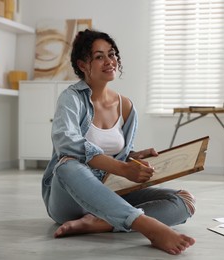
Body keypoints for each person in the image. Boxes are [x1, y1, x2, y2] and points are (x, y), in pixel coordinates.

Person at [41, 29, 196, 255]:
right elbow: (67, 144)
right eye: (99, 56)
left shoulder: (126, 106)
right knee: (67, 165)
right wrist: (123, 168)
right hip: (70, 197)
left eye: (112, 54)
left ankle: (99, 223)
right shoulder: (71, 98)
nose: (109, 61)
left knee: (185, 201)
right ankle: (147, 226)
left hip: (111, 189)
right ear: (83, 64)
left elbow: (114, 151)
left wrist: (132, 156)